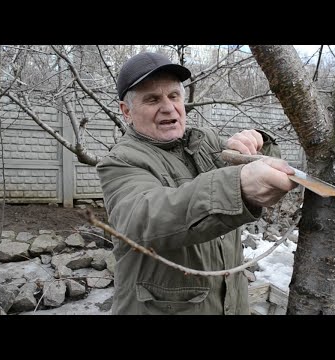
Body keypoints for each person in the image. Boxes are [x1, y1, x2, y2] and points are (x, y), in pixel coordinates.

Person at [96, 52, 297, 315]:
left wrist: (258, 142)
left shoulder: (205, 142)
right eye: (153, 99)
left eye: (174, 96)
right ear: (126, 111)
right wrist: (236, 186)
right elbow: (145, 217)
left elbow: (263, 168)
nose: (168, 107)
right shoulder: (120, 162)